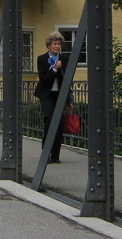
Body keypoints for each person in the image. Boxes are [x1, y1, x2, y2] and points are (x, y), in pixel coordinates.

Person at [34, 32, 70, 163]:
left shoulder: (64, 60)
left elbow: (67, 81)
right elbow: (43, 80)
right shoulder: (42, 59)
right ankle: (46, 153)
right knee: (49, 119)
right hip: (46, 94)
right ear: (49, 45)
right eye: (54, 44)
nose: (57, 46)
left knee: (59, 123)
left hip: (59, 93)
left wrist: (68, 100)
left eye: (59, 44)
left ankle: (55, 155)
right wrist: (54, 69)